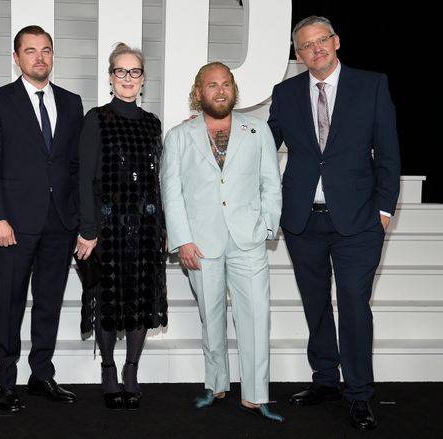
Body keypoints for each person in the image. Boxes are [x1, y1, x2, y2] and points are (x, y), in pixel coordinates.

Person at [268, 16, 401, 430]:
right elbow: (262, 146)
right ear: (298, 54)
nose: (316, 50)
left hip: (359, 221)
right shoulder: (286, 92)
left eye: (321, 41)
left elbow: (389, 153)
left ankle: (360, 393)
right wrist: (215, 133)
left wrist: (383, 212)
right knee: (315, 303)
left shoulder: (371, 85)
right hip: (302, 221)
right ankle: (325, 379)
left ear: (336, 41)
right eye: (306, 46)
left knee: (354, 306)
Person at [161, 62, 283, 422]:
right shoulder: (179, 136)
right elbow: (172, 192)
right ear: (199, 92)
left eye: (226, 84)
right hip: (200, 243)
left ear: (234, 89)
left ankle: (256, 395)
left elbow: (271, 184)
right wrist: (182, 239)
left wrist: (266, 227)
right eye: (212, 85)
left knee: (256, 317)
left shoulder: (258, 130)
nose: (220, 90)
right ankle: (215, 386)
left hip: (248, 239)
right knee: (210, 317)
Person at [0, 25, 84, 412]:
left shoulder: (72, 103)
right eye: (31, 51)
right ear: (16, 57)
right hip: (14, 224)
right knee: (9, 303)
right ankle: (6, 381)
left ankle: (41, 375)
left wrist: (78, 219)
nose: (40, 57)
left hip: (60, 222)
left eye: (46, 50)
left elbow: (75, 166)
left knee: (49, 302)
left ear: (53, 55)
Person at [75, 43, 168, 410]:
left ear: (143, 79)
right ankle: (109, 369)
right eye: (120, 71)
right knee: (109, 300)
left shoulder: (152, 123)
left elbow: (154, 180)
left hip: (145, 226)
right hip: (108, 228)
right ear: (111, 77)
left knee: (141, 299)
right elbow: (85, 179)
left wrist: (161, 227)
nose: (128, 78)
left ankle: (132, 369)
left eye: (134, 72)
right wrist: (89, 228)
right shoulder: (96, 119)